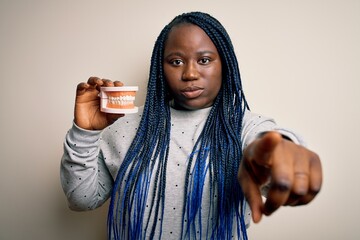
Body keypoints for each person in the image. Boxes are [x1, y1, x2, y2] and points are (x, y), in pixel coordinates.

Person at [60, 11, 322, 240]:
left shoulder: (244, 127)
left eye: (205, 60)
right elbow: (82, 200)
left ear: (225, 66)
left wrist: (282, 151)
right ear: (160, 69)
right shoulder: (124, 125)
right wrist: (86, 132)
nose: (190, 74)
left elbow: (268, 145)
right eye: (176, 61)